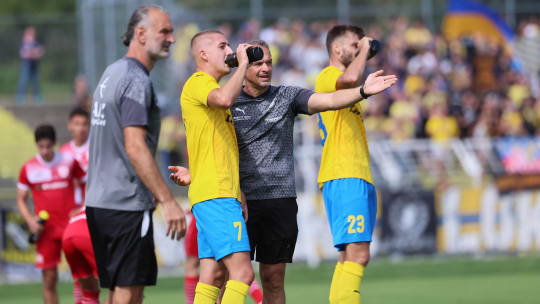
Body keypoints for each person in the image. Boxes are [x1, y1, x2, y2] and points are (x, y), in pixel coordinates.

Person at [171, 39, 396, 304]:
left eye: (268, 62)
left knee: (273, 279)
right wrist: (195, 172)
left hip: (278, 201)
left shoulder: (287, 96)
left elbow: (331, 99)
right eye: (257, 63)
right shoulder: (226, 100)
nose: (265, 68)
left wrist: (362, 91)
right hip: (237, 201)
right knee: (219, 276)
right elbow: (207, 144)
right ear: (244, 68)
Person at [85, 6, 186, 304]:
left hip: (99, 202)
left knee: (117, 291)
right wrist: (168, 200)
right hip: (125, 203)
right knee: (130, 293)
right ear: (140, 34)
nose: (172, 38)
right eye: (164, 31)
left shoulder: (112, 71)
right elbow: (134, 146)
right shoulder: (137, 80)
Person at [177, 29, 254, 304]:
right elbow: (223, 98)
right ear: (203, 54)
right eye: (223, 46)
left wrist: (238, 192)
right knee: (243, 273)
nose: (230, 51)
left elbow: (213, 150)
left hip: (218, 193)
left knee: (212, 276)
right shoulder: (199, 81)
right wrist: (243, 65)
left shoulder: (211, 93)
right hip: (216, 195)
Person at [314, 24, 382, 303]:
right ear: (336, 48)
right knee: (359, 254)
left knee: (348, 256)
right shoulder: (330, 76)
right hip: (345, 173)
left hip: (353, 174)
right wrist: (366, 49)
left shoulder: (345, 83)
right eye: (354, 45)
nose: (359, 49)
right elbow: (350, 79)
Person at [16, 125, 85, 304]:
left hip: (70, 226)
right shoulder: (28, 168)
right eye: (41, 147)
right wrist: (31, 221)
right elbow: (20, 199)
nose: (45, 151)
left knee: (82, 276)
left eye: (48, 146)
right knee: (49, 278)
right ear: (37, 146)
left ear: (54, 144)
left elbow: (86, 183)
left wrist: (83, 206)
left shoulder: (69, 161)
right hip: (46, 230)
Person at [182, 211, 263, 304]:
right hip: (218, 209)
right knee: (236, 268)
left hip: (207, 211)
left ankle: (260, 300)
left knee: (233, 269)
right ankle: (260, 300)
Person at [60, 107, 90, 207]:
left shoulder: (96, 148)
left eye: (84, 124)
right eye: (77, 124)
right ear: (69, 126)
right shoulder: (63, 151)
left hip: (91, 203)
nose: (81, 129)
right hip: (70, 205)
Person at [16, 26, 44, 105]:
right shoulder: (24, 43)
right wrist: (32, 53)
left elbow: (40, 53)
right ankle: (20, 98)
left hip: (34, 65)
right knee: (23, 81)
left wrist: (33, 53)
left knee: (35, 82)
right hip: (26, 65)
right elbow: (23, 54)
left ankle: (37, 98)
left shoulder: (36, 44)